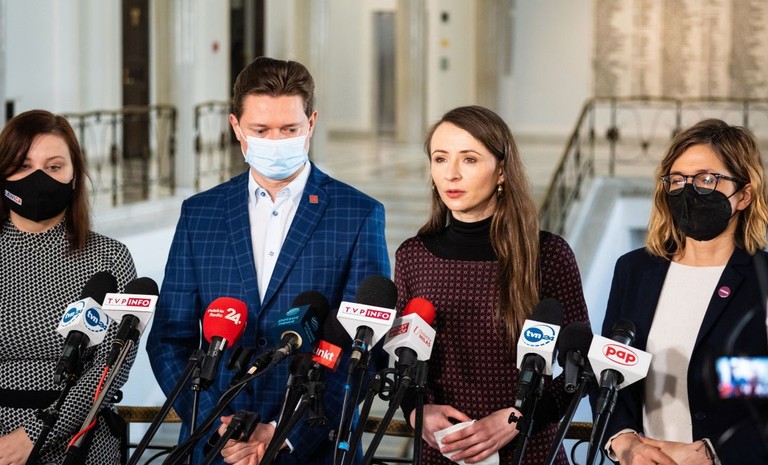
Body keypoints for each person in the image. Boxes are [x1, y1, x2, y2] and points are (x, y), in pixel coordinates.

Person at [147, 56, 390, 465]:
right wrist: (216, 427)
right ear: (236, 128)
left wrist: (283, 434)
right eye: (261, 130)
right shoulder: (199, 213)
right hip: (214, 449)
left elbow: (363, 352)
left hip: (312, 450)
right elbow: (170, 340)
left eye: (289, 129)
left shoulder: (358, 214)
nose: (276, 141)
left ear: (311, 123)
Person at [394, 105, 590, 465]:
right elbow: (402, 361)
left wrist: (518, 418)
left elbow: (582, 371)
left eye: (469, 160)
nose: (451, 173)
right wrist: (414, 411)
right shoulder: (413, 256)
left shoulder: (548, 254)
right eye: (440, 159)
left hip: (528, 452)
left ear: (501, 171)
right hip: (443, 452)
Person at [600, 118, 768, 464]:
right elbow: (607, 374)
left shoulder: (761, 279)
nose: (689, 191)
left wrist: (715, 453)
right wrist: (625, 442)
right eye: (678, 180)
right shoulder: (634, 270)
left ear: (744, 194)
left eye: (707, 179)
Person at [0, 109, 137, 464]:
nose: (38, 177)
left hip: (82, 443)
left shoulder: (111, 258)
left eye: (54, 166)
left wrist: (34, 435)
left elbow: (113, 364)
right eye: (23, 165)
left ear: (74, 176)